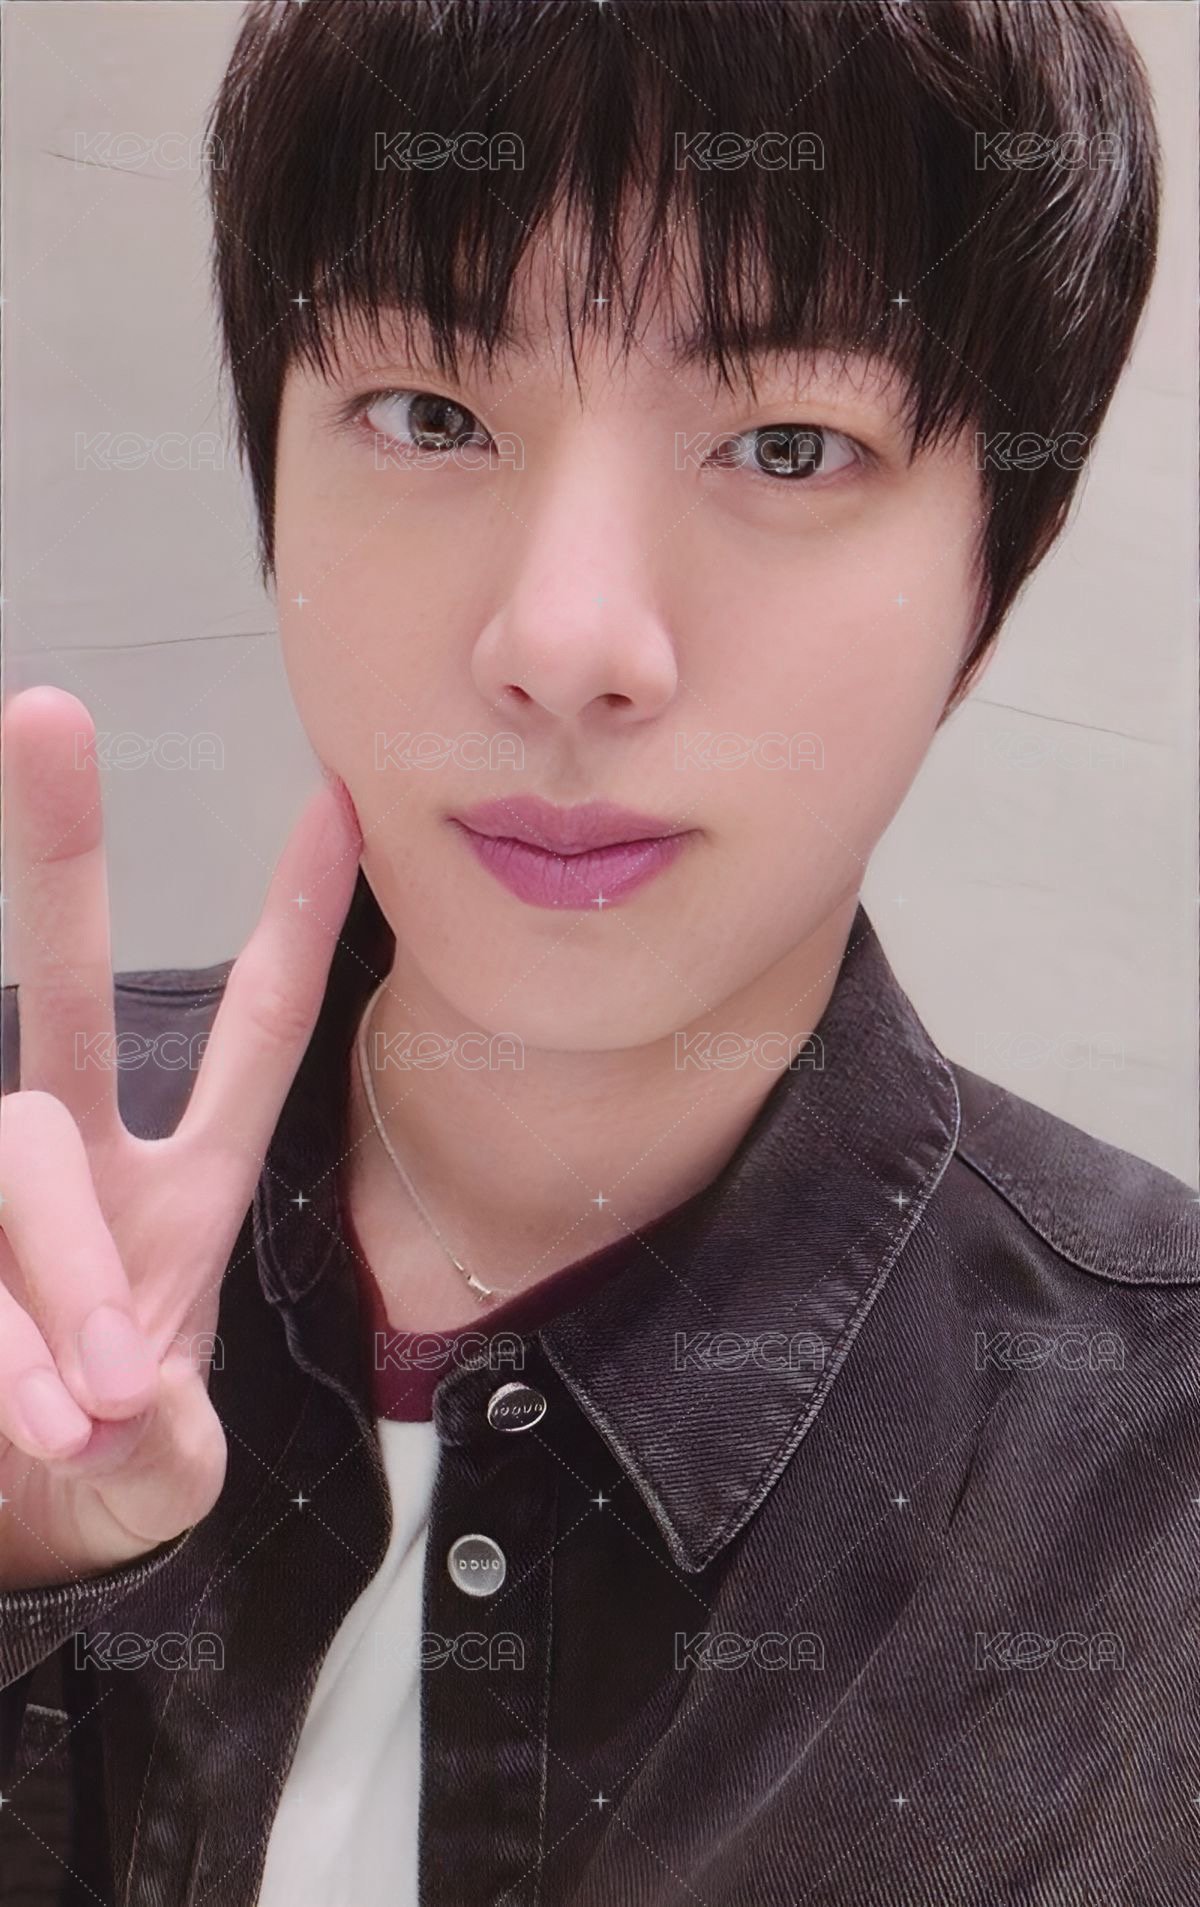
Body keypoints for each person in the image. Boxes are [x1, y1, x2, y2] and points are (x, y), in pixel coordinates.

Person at [1, 2, 1193, 1902]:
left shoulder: (1148, 1502)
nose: (564, 644)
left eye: (788, 444)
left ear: (994, 571)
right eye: (433, 415)